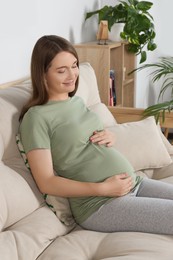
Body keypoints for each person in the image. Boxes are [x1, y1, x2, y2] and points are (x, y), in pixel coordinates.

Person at [19, 35, 173, 235]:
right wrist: (103, 189)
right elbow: (46, 181)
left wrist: (110, 136)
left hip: (132, 182)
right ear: (43, 74)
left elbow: (84, 142)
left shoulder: (76, 101)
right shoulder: (36, 118)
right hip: (99, 204)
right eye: (61, 70)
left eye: (74, 65)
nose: (72, 75)